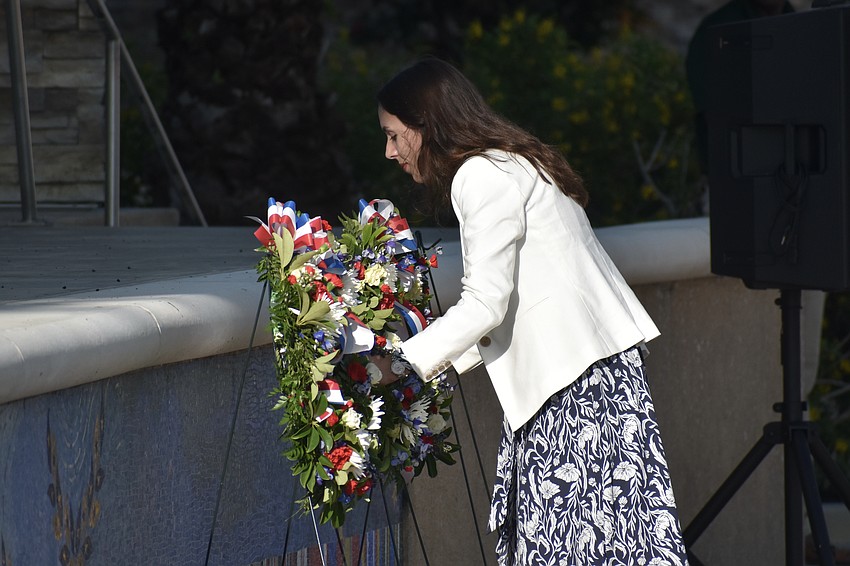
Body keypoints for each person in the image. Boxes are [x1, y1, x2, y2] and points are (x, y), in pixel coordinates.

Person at [372, 57, 688, 565]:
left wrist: (402, 363)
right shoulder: (508, 161)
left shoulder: (479, 175)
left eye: (393, 134)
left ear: (426, 126)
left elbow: (485, 302)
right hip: (590, 379)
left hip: (574, 390)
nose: (388, 151)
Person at [685, 0, 794, 173]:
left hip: (792, 164)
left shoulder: (799, 24)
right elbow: (711, 110)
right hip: (733, 169)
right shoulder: (719, 26)